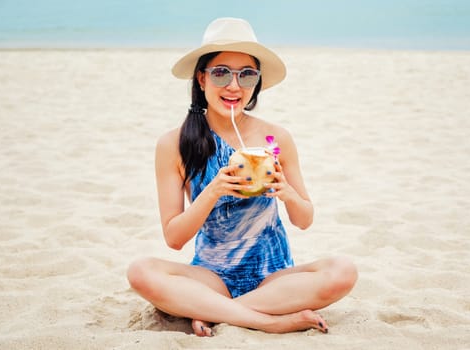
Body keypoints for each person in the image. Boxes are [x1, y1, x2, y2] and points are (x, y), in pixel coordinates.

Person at [127, 17, 358, 337]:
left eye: (246, 74)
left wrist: (286, 191)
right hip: (211, 277)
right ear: (202, 78)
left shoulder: (275, 139)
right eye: (221, 72)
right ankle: (268, 321)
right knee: (140, 271)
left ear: (256, 82)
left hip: (272, 277)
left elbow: (304, 219)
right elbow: (174, 238)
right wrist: (213, 191)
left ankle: (213, 311)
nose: (234, 86)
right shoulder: (174, 144)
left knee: (343, 271)